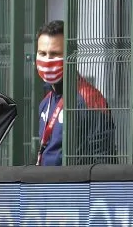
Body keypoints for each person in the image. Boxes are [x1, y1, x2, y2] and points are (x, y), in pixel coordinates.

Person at [35, 20, 117, 166]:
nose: (47, 60)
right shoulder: (46, 102)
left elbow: (104, 159)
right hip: (46, 180)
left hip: (75, 181)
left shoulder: (89, 99)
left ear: (71, 56)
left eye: (54, 54)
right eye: (42, 53)